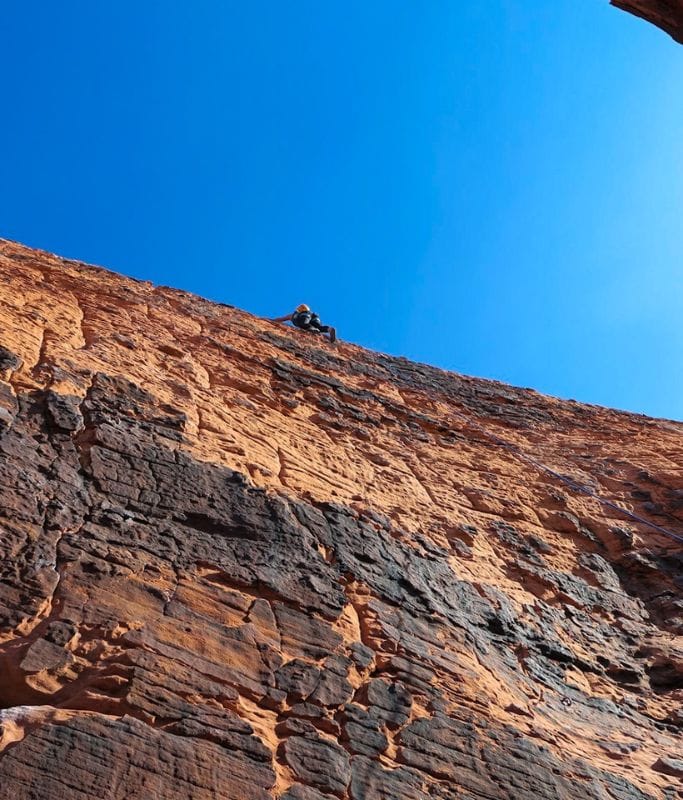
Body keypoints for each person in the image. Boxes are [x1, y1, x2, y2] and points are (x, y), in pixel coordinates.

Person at [272, 304, 337, 343]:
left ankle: (311, 328)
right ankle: (329, 329)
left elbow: (281, 319)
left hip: (305, 322)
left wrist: (271, 320)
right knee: (320, 328)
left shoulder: (293, 315)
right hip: (315, 320)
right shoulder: (311, 314)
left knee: (303, 324)